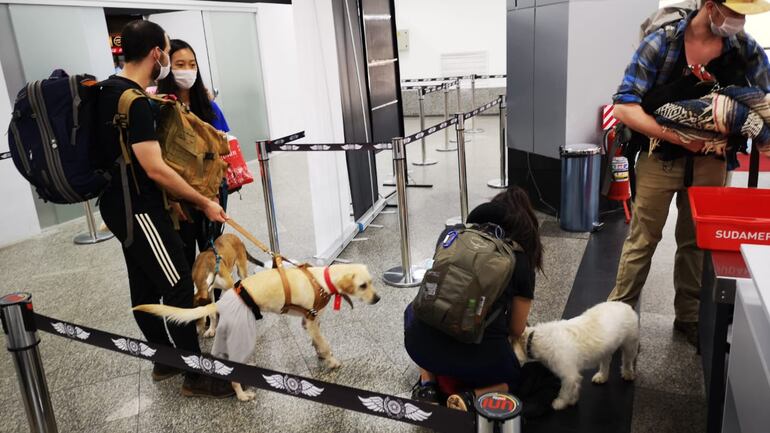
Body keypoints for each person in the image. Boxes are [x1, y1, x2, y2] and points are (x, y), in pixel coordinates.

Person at [608, 0, 770, 347]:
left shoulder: (745, 47)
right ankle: (616, 317)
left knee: (698, 241)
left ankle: (689, 318)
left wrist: (749, 124)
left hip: (713, 159)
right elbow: (623, 105)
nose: (739, 22)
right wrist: (677, 136)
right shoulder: (662, 43)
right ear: (710, 7)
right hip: (660, 155)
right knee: (642, 238)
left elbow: (763, 98)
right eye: (735, 13)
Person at [96, 20, 233, 398]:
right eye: (168, 51)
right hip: (140, 210)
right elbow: (153, 166)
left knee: (142, 285)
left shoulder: (106, 91)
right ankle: (194, 374)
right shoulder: (136, 102)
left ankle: (164, 359)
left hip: (117, 207)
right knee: (176, 284)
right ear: (157, 53)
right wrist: (203, 200)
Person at [405, 186, 541, 411]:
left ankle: (427, 384)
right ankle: (469, 397)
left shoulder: (451, 235)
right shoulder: (520, 260)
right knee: (513, 380)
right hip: (480, 360)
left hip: (419, 345)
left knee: (415, 311)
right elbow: (516, 329)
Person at [156, 39, 231, 267]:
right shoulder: (159, 107)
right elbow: (157, 159)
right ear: (169, 68)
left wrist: (216, 191)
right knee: (184, 256)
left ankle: (218, 301)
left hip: (214, 192)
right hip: (179, 196)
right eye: (180, 64)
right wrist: (172, 199)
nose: (187, 70)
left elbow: (222, 150)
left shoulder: (208, 106)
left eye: (192, 64)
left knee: (214, 252)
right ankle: (194, 300)